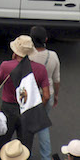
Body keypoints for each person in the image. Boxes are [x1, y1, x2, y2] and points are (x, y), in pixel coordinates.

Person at [0, 35, 50, 152]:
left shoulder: (5, 66)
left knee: (2, 143)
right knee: (25, 147)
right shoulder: (40, 69)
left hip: (8, 107)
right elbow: (46, 95)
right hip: (28, 109)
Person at [30, 24, 60, 160]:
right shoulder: (53, 56)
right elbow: (56, 79)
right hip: (48, 94)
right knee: (43, 126)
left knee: (27, 125)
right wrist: (56, 95)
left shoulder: (28, 56)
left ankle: (23, 154)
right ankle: (46, 157)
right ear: (46, 39)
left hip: (31, 95)